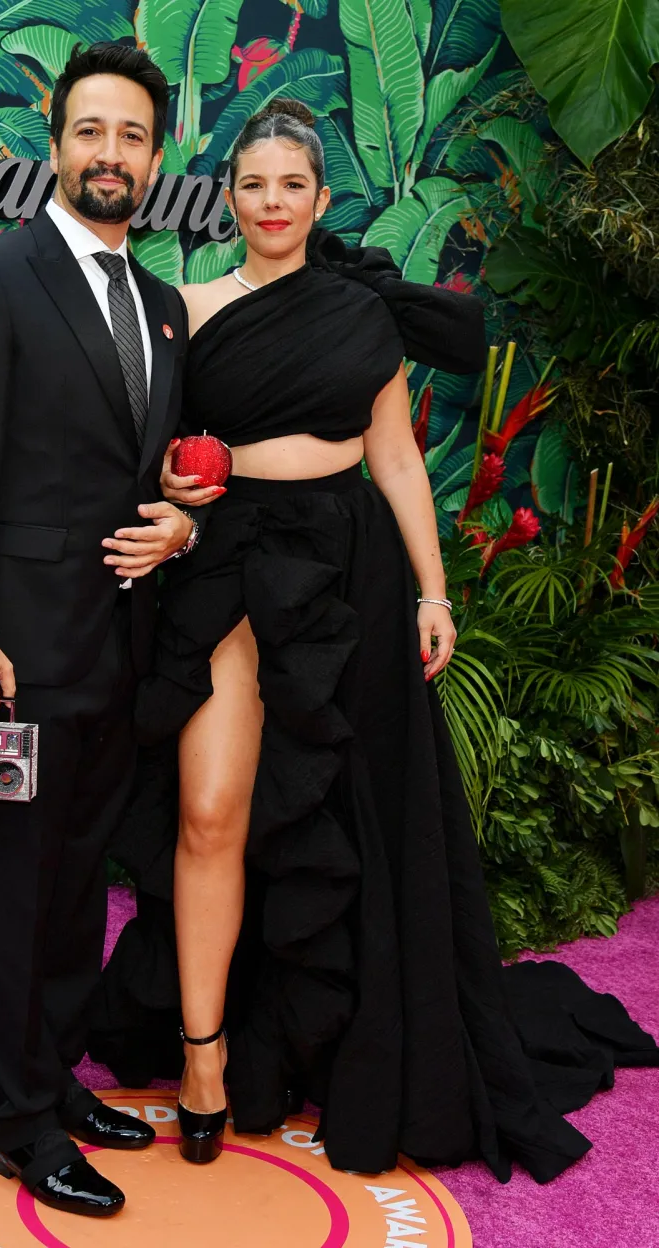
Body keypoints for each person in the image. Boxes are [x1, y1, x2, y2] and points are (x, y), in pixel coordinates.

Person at [90, 99, 659, 1179]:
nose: (270, 204)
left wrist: (433, 595)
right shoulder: (189, 307)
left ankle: (334, 1032)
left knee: (347, 807)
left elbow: (395, 458)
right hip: (226, 560)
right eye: (252, 185)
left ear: (319, 198)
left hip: (348, 562)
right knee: (212, 809)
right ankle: (205, 1057)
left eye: (291, 186)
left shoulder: (363, 315)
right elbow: (158, 453)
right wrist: (173, 488)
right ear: (228, 198)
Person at [0, 43, 198, 1217]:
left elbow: (158, 476)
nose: (111, 155)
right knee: (16, 887)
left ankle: (61, 1079)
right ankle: (21, 1121)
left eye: (132, 136)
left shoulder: (168, 306)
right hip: (15, 653)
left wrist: (180, 533)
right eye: (92, 131)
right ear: (55, 140)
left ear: (155, 155)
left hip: (117, 651)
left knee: (82, 882)